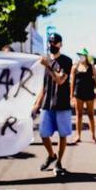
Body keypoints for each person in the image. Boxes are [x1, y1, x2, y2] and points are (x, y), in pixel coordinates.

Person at [32, 33, 73, 176]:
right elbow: (44, 85)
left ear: (60, 44)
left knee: (62, 135)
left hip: (62, 104)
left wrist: (48, 65)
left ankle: (59, 162)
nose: (52, 45)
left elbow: (60, 80)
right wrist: (37, 104)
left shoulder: (66, 61)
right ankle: (51, 155)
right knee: (43, 134)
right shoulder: (46, 61)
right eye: (50, 42)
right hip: (47, 104)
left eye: (54, 42)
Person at [70, 48, 96, 143]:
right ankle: (78, 135)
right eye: (80, 55)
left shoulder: (91, 67)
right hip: (78, 93)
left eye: (83, 55)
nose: (81, 57)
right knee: (79, 115)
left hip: (89, 93)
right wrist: (71, 96)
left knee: (91, 115)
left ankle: (93, 136)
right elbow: (72, 82)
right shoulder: (75, 67)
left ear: (86, 56)